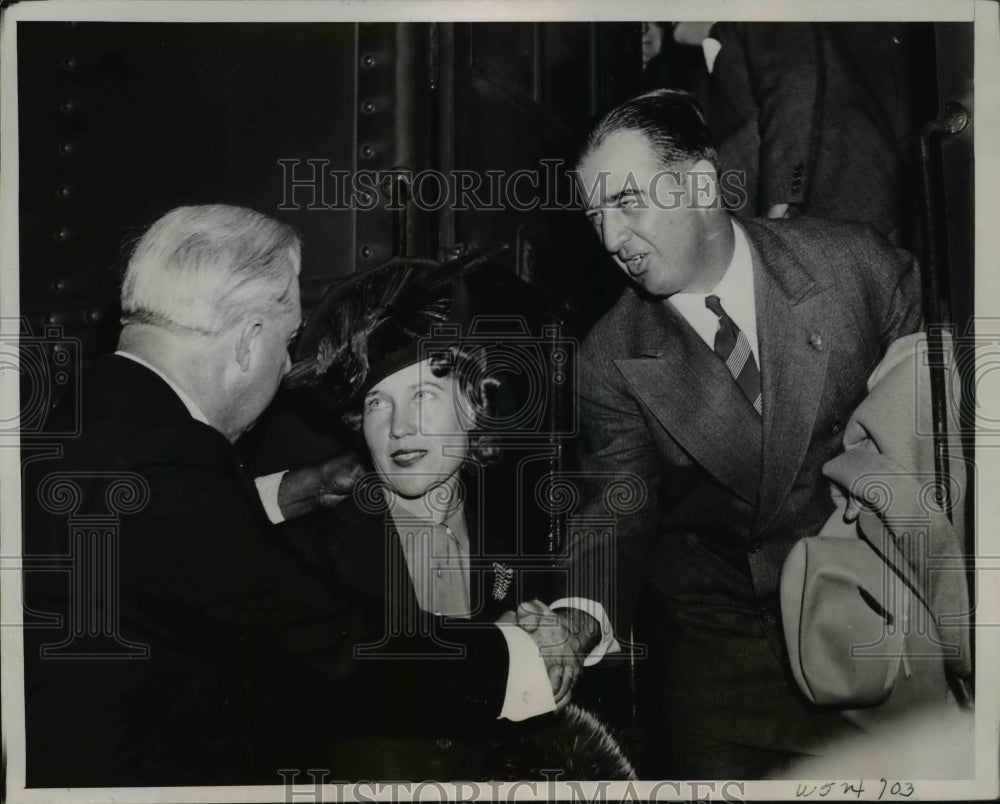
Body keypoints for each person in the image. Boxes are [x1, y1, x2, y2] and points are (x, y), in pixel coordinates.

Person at [22, 206, 564, 788]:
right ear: (249, 340)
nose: (286, 367)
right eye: (286, 343)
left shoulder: (83, 422)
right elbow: (333, 650)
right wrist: (521, 658)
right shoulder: (163, 458)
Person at [566, 90, 926, 778]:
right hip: (729, 654)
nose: (612, 240)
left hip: (882, 618)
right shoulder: (607, 359)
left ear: (701, 184)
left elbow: (945, 429)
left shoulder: (856, 268)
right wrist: (578, 611)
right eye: (595, 216)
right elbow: (616, 509)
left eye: (627, 202)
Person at [282, 256, 627, 779]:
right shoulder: (311, 552)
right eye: (377, 404)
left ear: (474, 404)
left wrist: (551, 648)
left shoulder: (521, 540)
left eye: (423, 394)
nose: (398, 428)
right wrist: (501, 653)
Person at [663, 22, 902, 243]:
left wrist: (776, 211)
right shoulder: (703, 76)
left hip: (847, 210)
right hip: (817, 228)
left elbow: (794, 92)